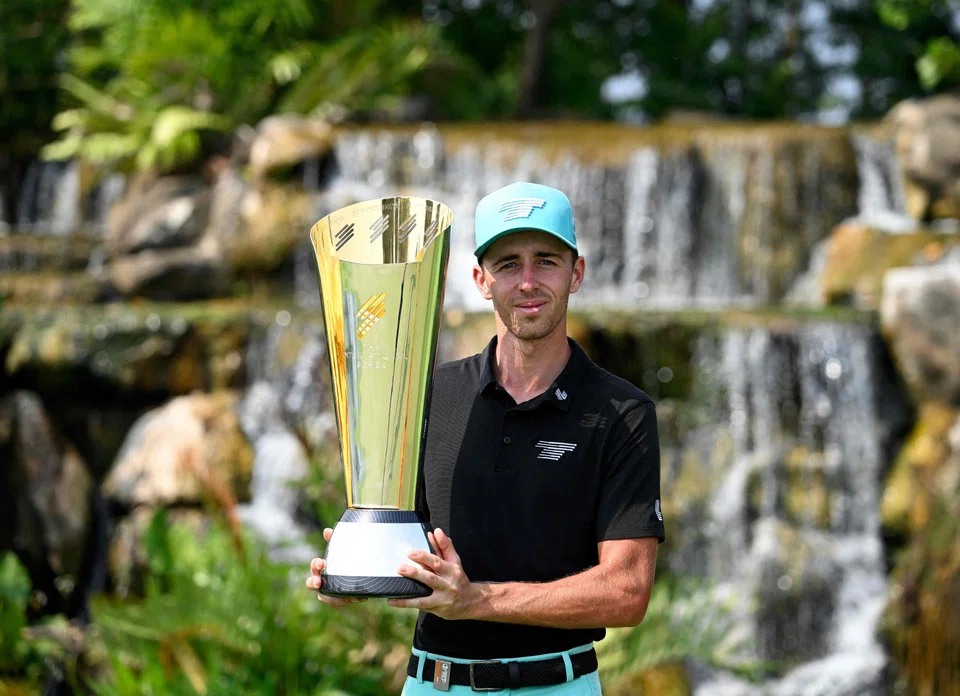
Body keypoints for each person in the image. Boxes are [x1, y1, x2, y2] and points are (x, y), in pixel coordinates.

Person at [306, 181, 665, 694]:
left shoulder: (624, 412)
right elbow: (415, 546)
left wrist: (477, 600)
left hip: (557, 685)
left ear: (576, 273)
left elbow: (627, 591)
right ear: (479, 279)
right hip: (434, 684)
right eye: (507, 264)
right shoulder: (426, 395)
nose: (527, 281)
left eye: (546, 261)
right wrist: (357, 570)